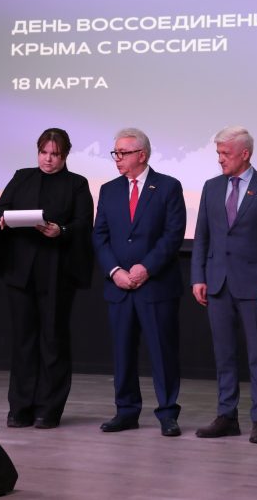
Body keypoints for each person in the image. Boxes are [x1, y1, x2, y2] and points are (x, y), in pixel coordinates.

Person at [0, 128, 94, 430]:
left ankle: (48, 409)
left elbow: (84, 224)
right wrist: (2, 218)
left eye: (55, 154)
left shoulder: (77, 184)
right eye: (43, 153)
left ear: (65, 155)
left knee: (53, 340)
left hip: (57, 272)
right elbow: (0, 208)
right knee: (23, 341)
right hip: (21, 272)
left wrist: (61, 230)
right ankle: (20, 408)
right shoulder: (22, 177)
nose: (48, 159)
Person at [190, 126, 257, 444]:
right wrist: (198, 277)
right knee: (224, 355)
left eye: (226, 153)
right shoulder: (211, 187)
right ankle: (226, 416)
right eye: (218, 153)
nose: (220, 159)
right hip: (217, 284)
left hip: (255, 287)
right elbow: (202, 236)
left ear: (244, 154)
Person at [92, 127, 187, 437]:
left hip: (156, 286)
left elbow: (172, 235)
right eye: (115, 153)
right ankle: (126, 411)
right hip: (119, 287)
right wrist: (115, 271)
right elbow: (100, 236)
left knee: (162, 352)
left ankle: (168, 413)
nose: (117, 158)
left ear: (142, 155)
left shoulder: (168, 187)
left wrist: (146, 268)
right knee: (123, 352)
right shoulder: (109, 190)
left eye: (123, 153)